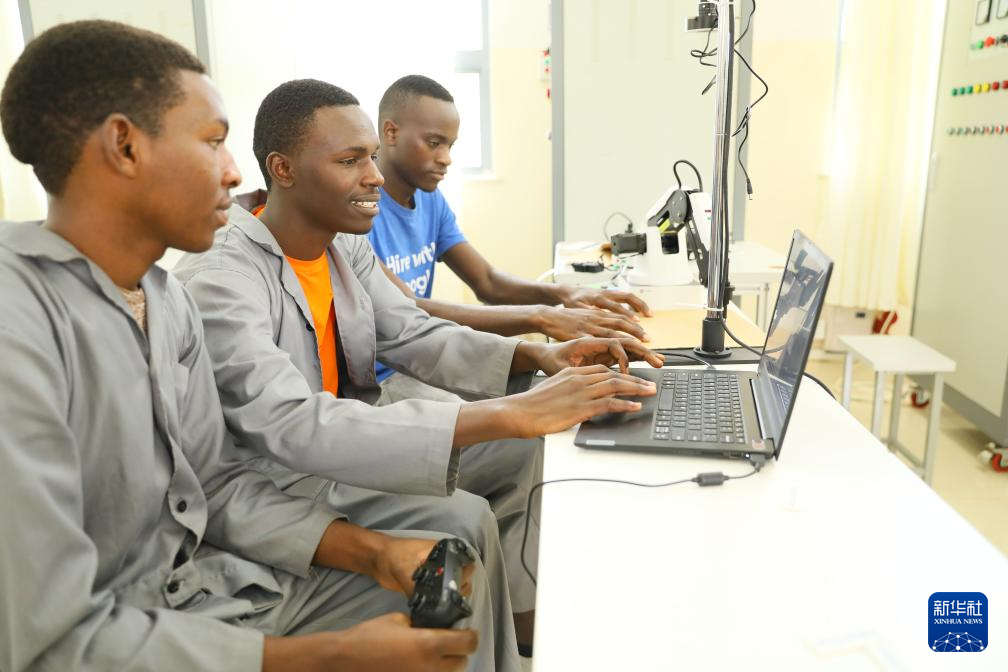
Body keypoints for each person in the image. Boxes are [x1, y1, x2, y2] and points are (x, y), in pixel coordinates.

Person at [0, 21, 495, 672]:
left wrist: (377, 554)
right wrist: (323, 656)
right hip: (121, 634)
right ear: (124, 146)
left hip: (209, 588)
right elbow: (48, 638)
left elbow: (215, 486)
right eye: (213, 143)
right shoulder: (19, 323)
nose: (235, 172)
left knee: (453, 591)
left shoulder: (164, 301)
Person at [173, 79, 664, 659]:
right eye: (351, 161)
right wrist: (509, 410)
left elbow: (410, 330)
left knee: (522, 450)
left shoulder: (342, 243)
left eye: (371, 158)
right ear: (283, 169)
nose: (375, 177)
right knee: (465, 516)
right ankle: (492, 646)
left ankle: (519, 626)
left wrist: (538, 356)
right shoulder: (222, 280)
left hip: (343, 439)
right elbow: (294, 425)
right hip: (282, 476)